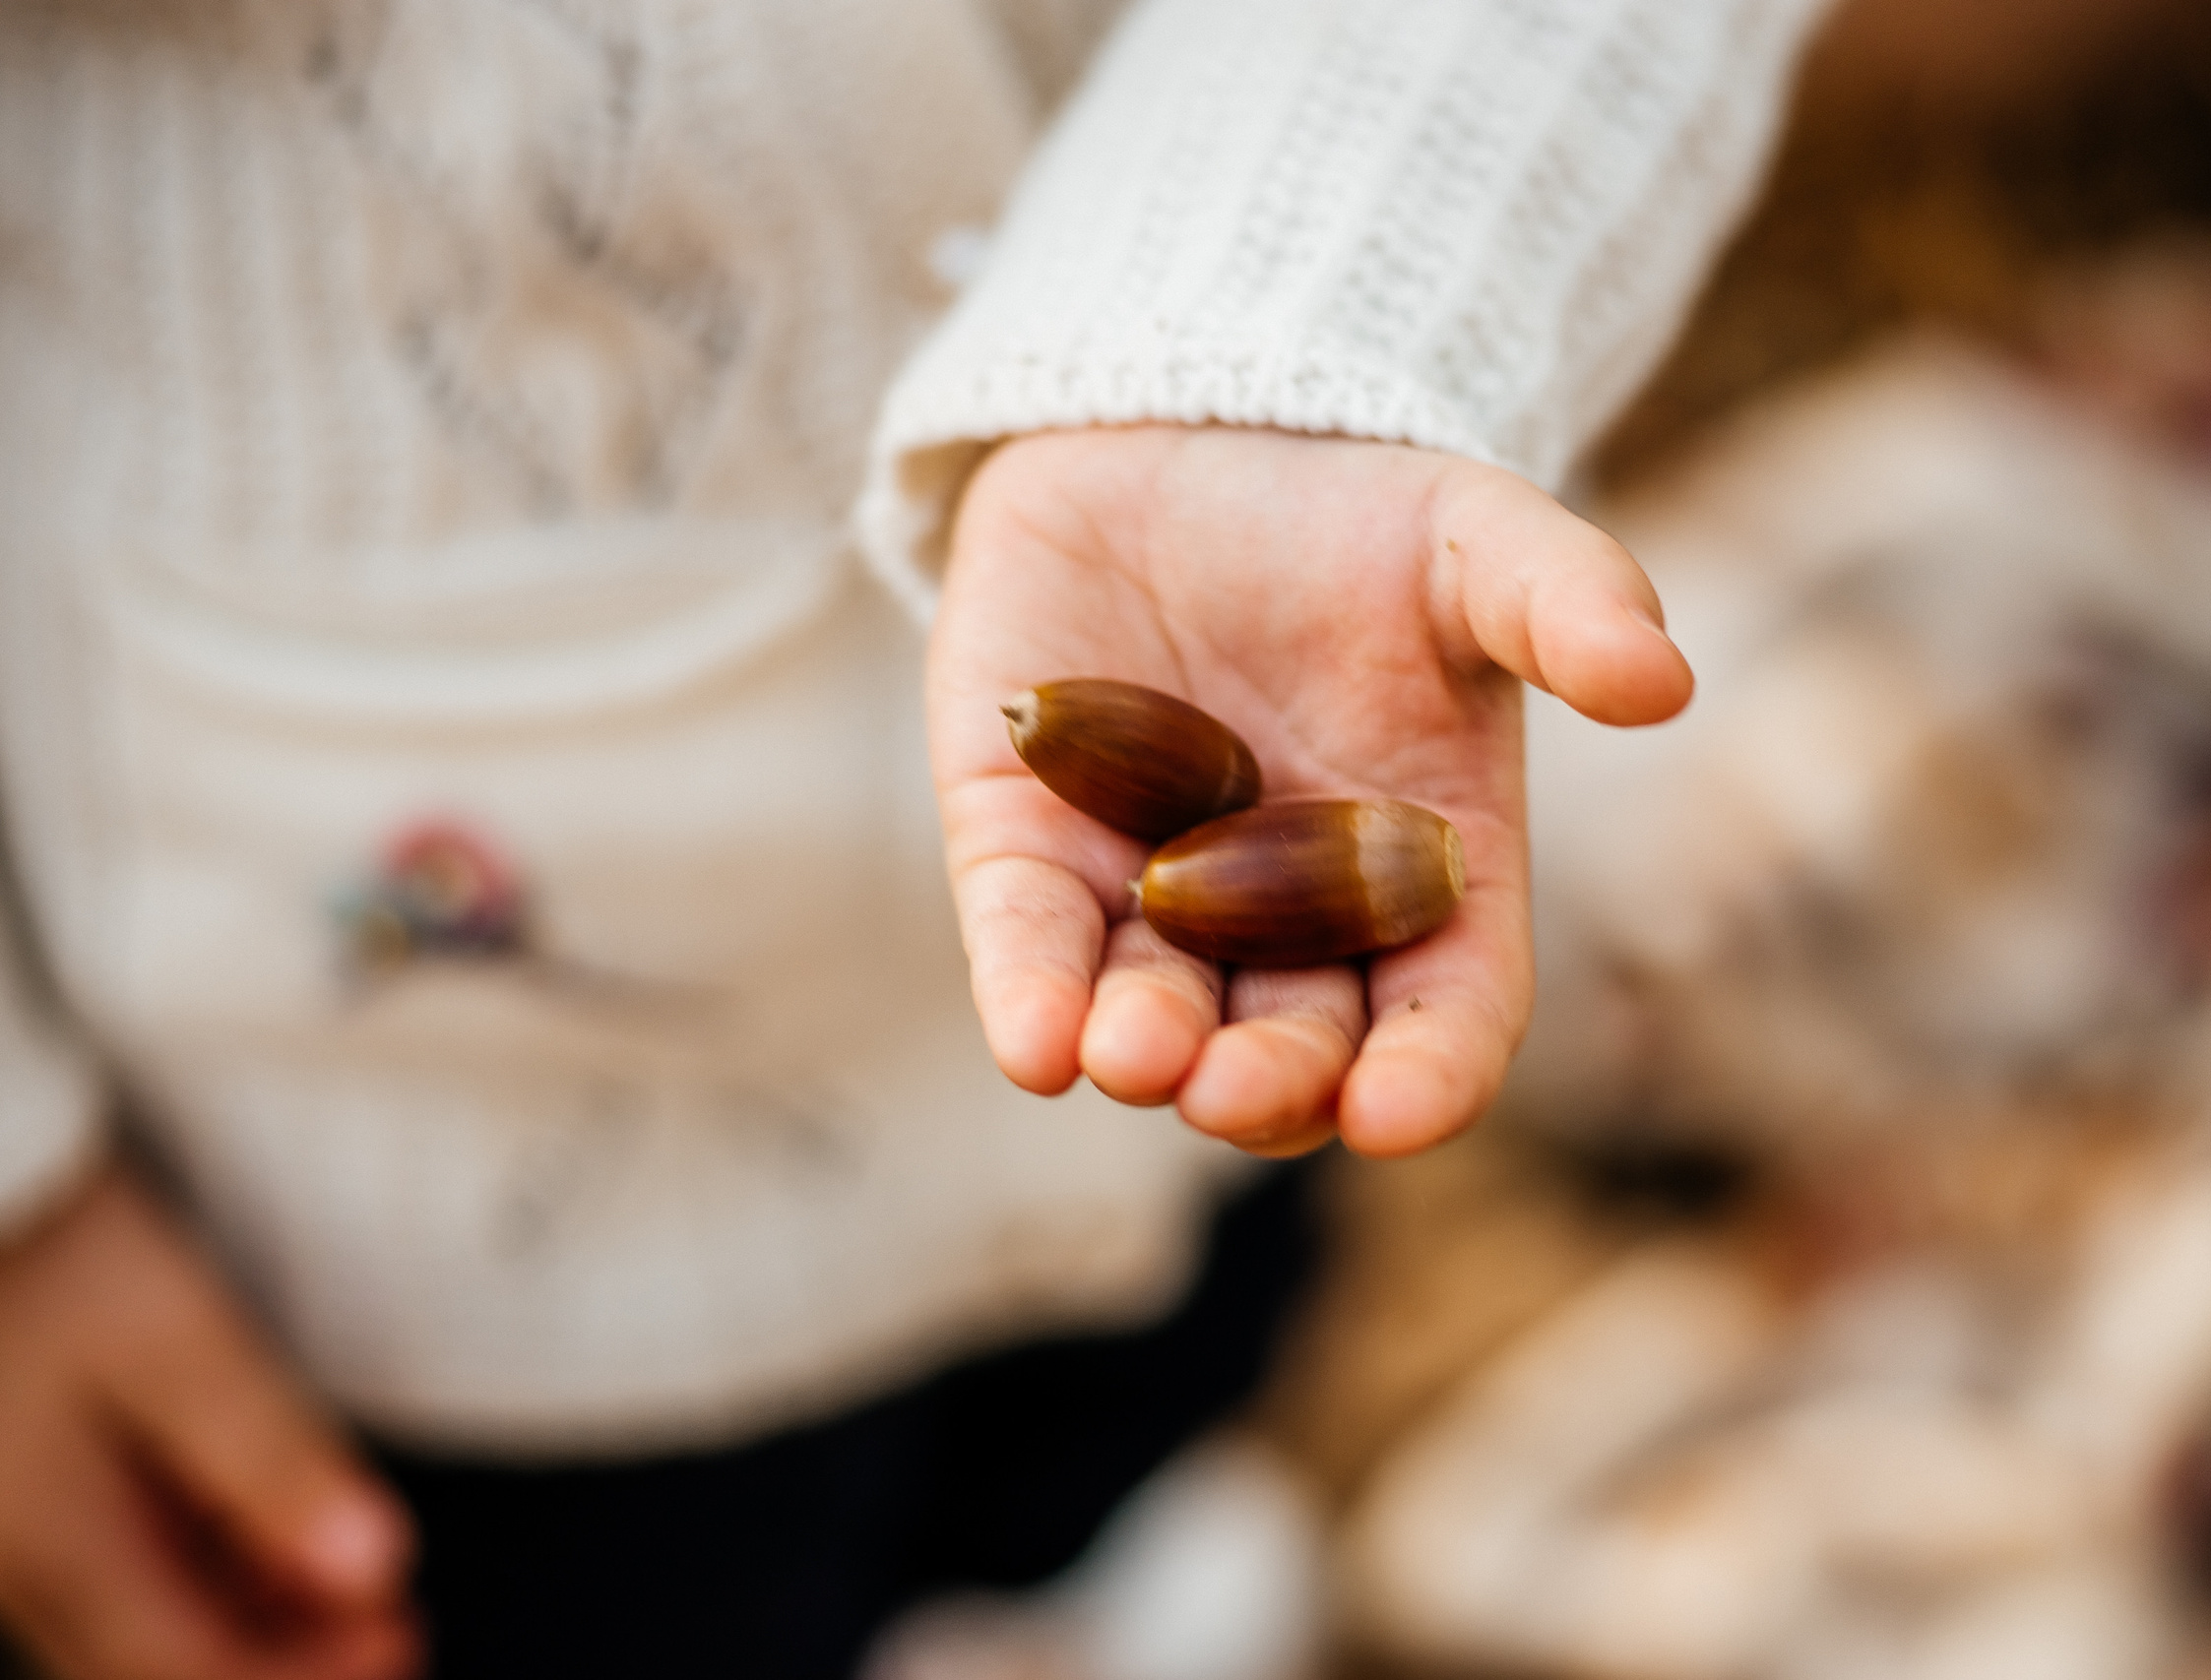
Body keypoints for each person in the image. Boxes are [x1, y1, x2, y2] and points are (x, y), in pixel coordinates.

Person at [0, 1, 1823, 1675]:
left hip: (1158, 1098)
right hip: (414, 1205)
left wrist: (1294, 323)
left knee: (1146, 1391)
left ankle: (1067, 1590)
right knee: (656, 1599)